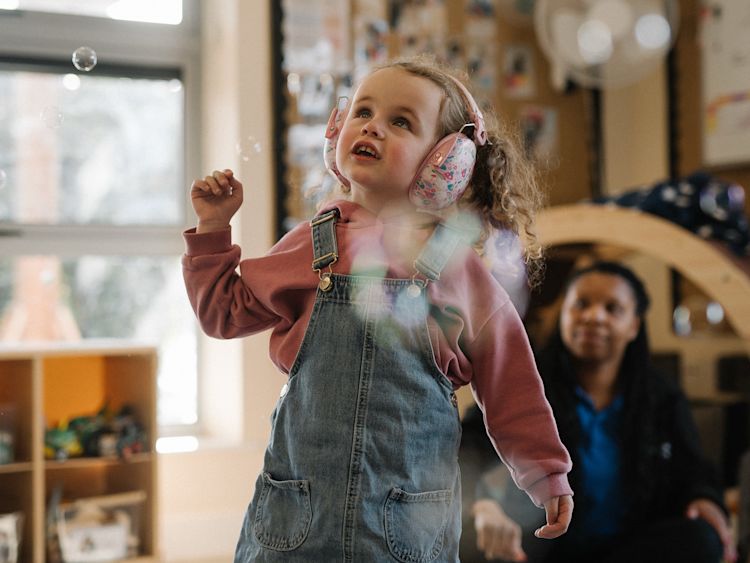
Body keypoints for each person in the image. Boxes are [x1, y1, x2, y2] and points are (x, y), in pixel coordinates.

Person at [182, 56, 573, 562]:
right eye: (362, 110)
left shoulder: (456, 268)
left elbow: (511, 381)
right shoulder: (310, 243)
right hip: (296, 528)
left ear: (446, 162)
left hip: (405, 534)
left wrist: (545, 474)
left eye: (401, 121)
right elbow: (223, 314)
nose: (371, 126)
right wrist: (213, 228)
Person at [459, 261, 735, 563]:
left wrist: (705, 500)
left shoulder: (662, 396)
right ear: (563, 314)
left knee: (702, 539)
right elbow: (467, 447)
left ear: (634, 326)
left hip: (632, 547)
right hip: (544, 545)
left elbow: (694, 468)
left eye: (612, 308)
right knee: (475, 536)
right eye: (580, 304)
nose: (593, 317)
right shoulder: (526, 383)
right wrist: (481, 505)